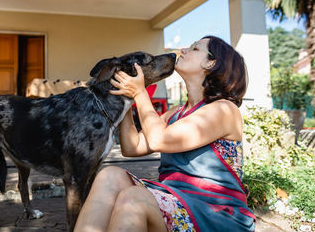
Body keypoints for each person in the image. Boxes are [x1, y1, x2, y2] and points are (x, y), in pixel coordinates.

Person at [74, 36, 255, 232]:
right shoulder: (175, 113)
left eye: (195, 48)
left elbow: (159, 139)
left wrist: (140, 94)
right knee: (110, 176)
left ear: (212, 63)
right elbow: (132, 147)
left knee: (134, 198)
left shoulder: (224, 110)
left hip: (214, 212)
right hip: (175, 199)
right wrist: (124, 97)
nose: (184, 50)